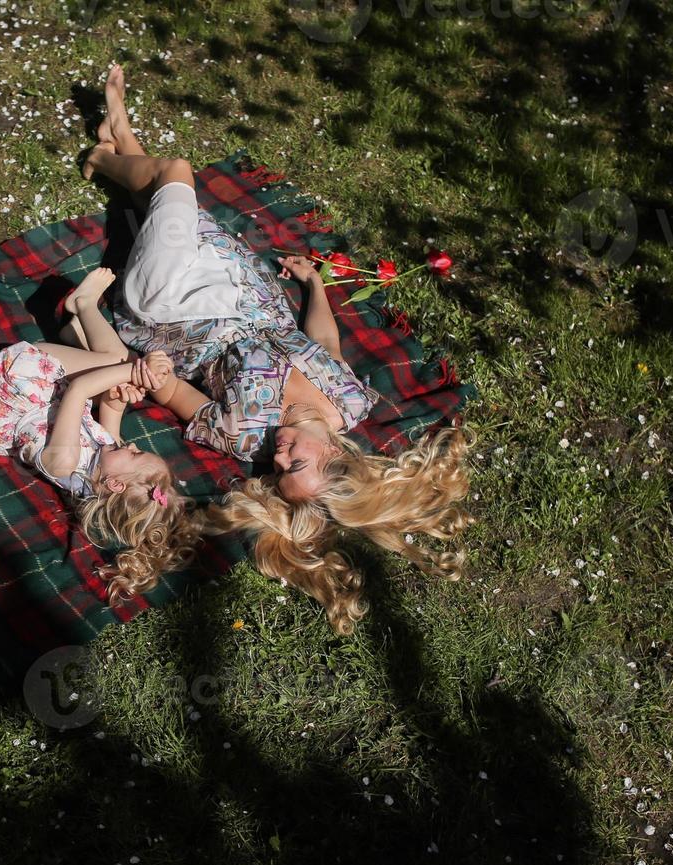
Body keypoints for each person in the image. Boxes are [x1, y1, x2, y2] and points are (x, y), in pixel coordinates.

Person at [80, 64, 474, 633]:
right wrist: (314, 286)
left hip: (170, 309)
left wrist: (150, 373)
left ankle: (102, 159)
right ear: (337, 453)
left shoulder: (244, 434)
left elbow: (169, 388)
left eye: (280, 469)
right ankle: (120, 132)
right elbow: (323, 342)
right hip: (243, 287)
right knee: (171, 212)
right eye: (299, 462)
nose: (280, 456)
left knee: (175, 178)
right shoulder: (351, 404)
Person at [0, 268, 201, 602]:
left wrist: (135, 370)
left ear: (116, 485)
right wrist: (121, 395)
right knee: (115, 372)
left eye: (134, 453)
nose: (129, 444)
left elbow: (79, 390)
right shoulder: (107, 459)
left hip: (19, 382)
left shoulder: (64, 462)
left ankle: (84, 304)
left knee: (115, 359)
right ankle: (74, 328)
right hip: (52, 392)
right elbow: (111, 412)